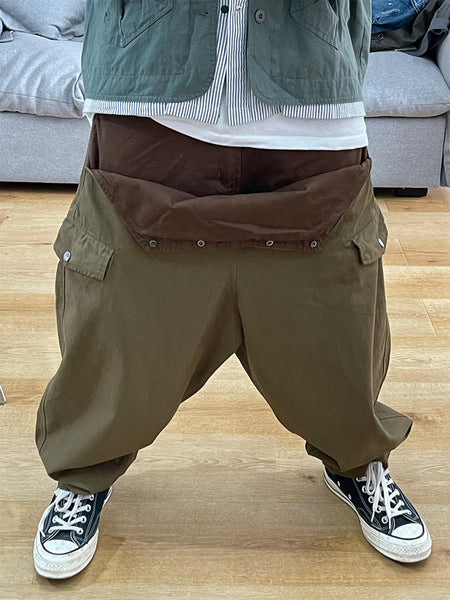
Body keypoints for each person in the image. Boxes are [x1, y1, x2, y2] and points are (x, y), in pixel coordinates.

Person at [33, 0, 432, 579]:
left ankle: (357, 458)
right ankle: (83, 472)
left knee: (335, 313)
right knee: (120, 315)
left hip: (312, 77)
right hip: (148, 76)